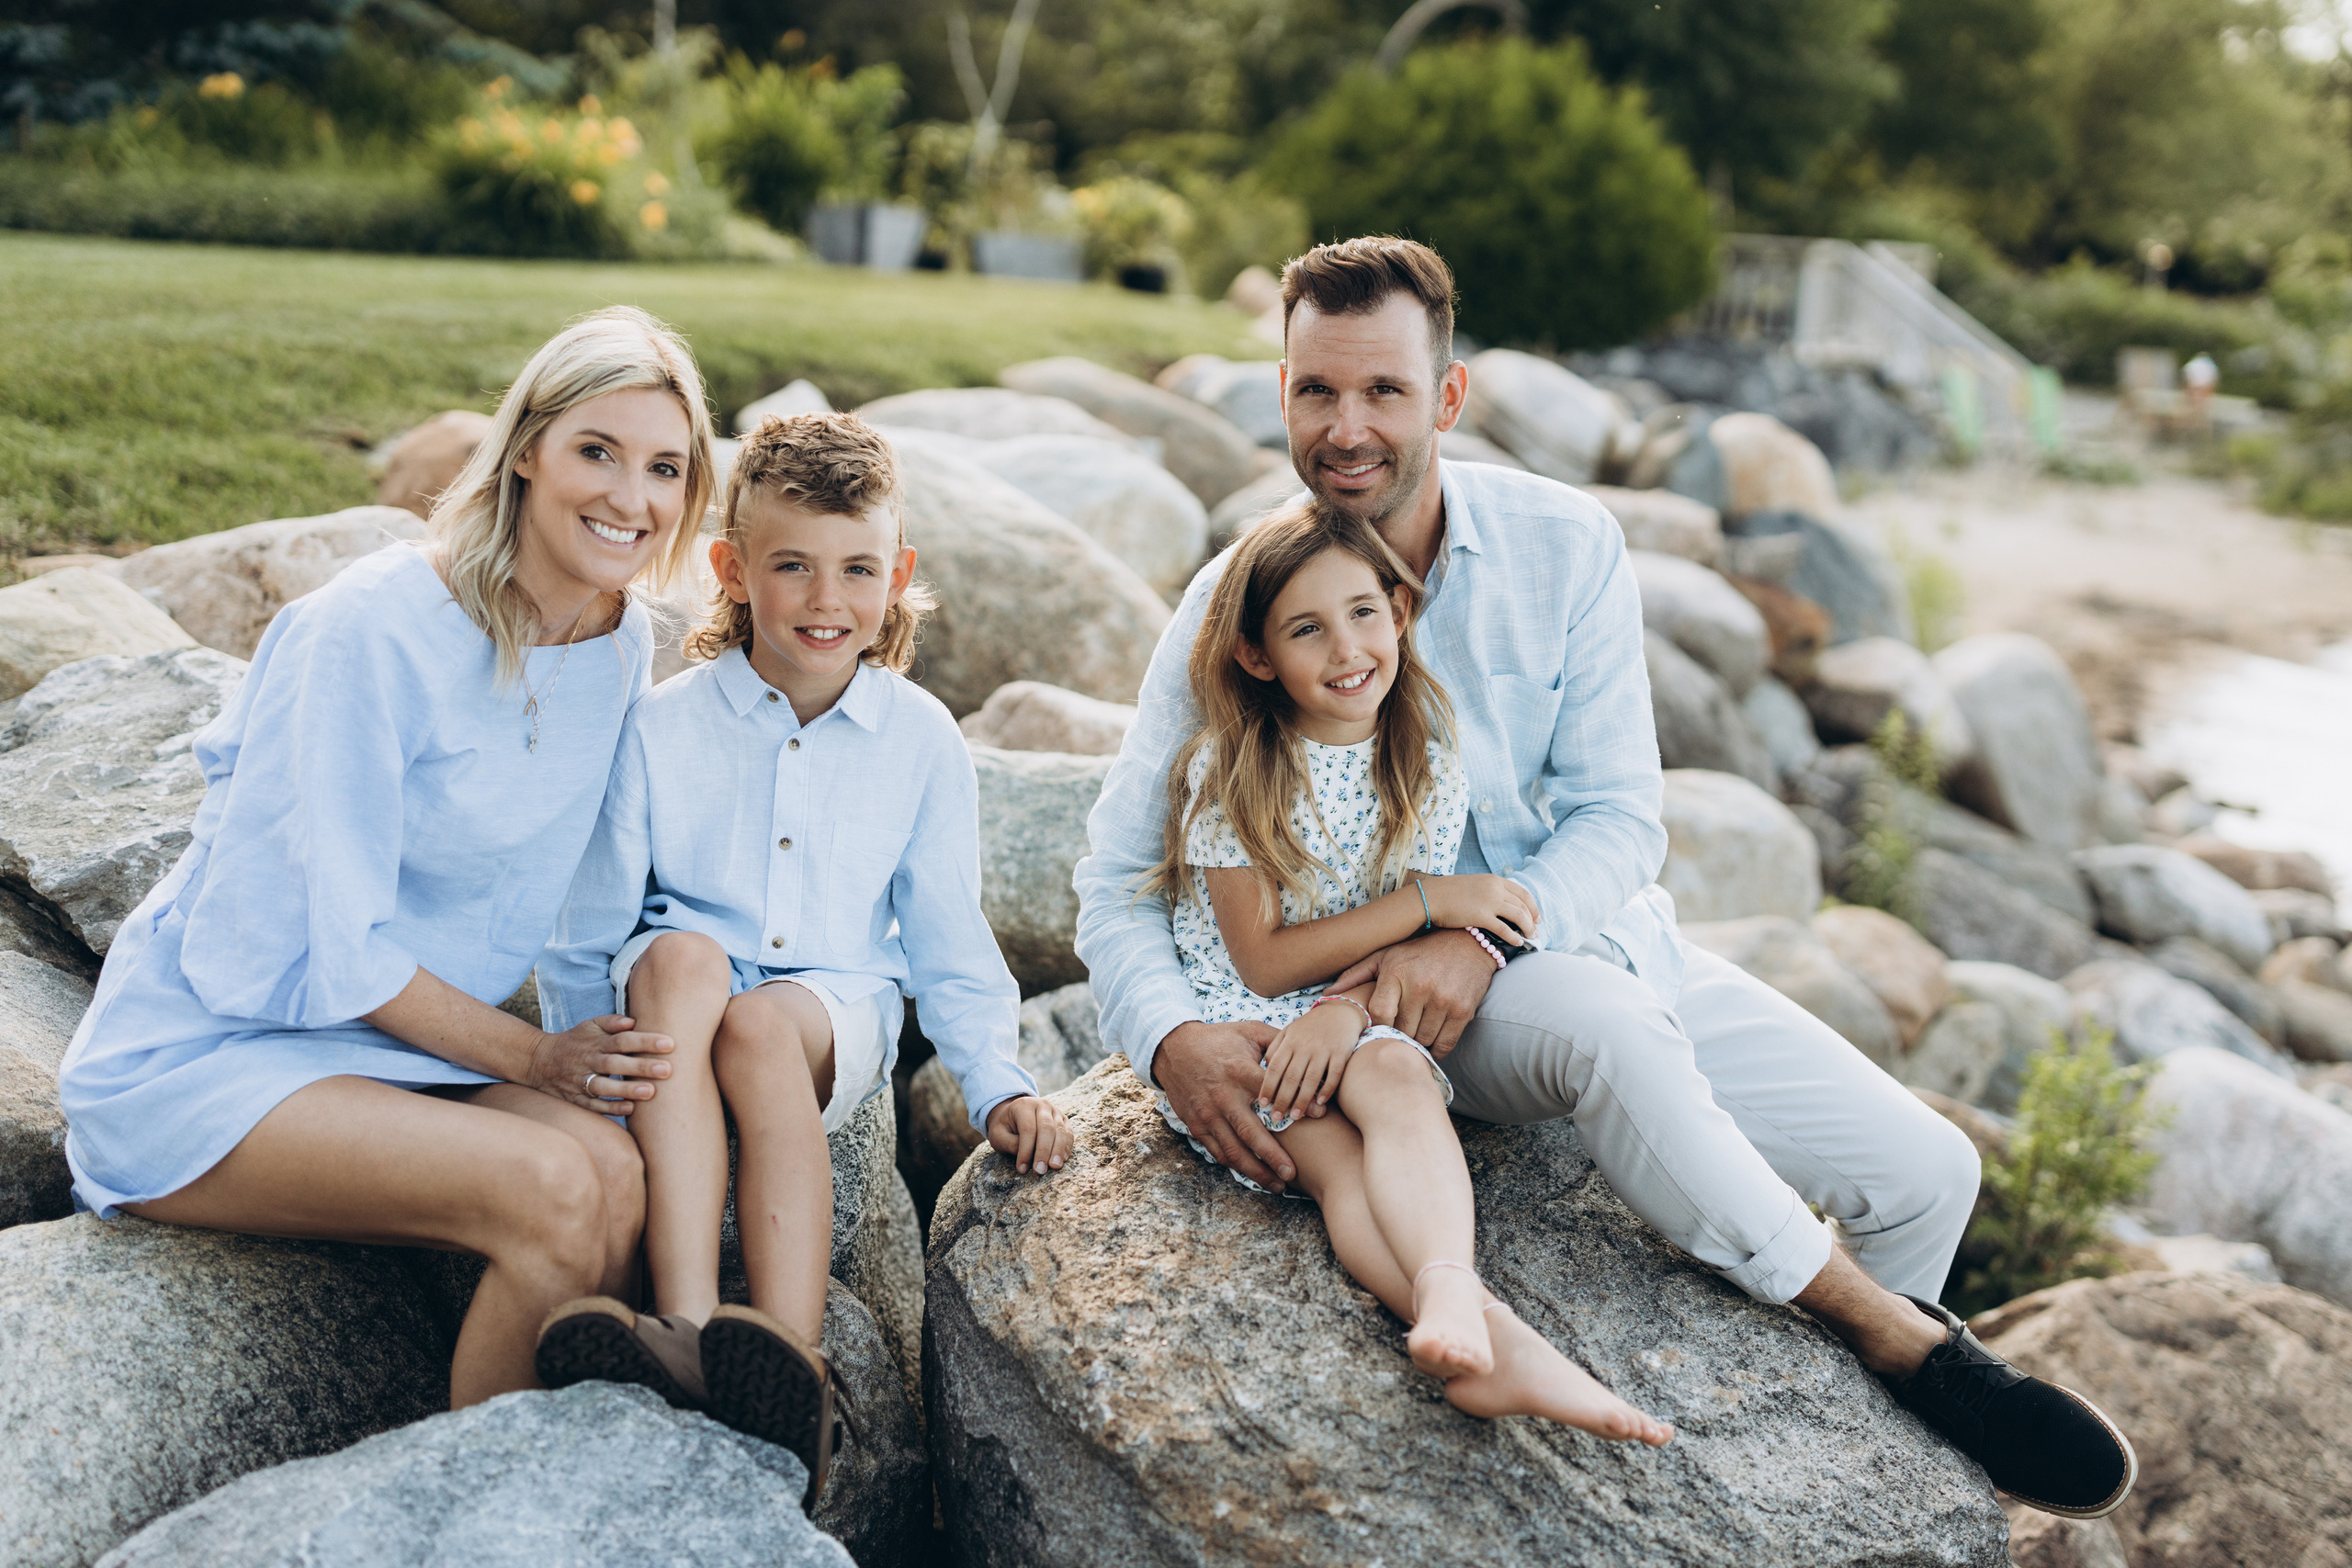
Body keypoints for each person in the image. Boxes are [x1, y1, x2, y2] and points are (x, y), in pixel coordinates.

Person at [1074, 238, 2138, 1520]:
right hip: (1400, 1018)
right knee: (1610, 1031)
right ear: (1283, 389)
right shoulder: (1233, 604)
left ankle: (1857, 1477)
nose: (1346, 427)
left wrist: (1489, 936)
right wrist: (1171, 1033)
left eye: (1384, 392)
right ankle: (1898, 1340)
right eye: (1315, 391)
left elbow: (1623, 817)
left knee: (1928, 1170)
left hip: (1578, 942)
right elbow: (1117, 874)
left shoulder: (1565, 542)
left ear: (1447, 399)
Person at [58, 306, 717, 1406]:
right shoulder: (367, 630)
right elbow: (336, 948)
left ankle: (539, 1490)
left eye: (664, 468)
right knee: (557, 1184)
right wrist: (533, 1058)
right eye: (595, 452)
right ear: (524, 453)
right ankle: (458, 1512)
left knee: (614, 1173)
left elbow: (608, 885)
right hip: (219, 1047)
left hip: (385, 1051)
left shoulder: (616, 647)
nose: (628, 498)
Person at [534, 412, 1071, 1495]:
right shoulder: (662, 725)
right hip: (679, 999)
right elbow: (588, 919)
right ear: (733, 570)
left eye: (857, 570)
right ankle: (685, 1321)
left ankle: (789, 1357)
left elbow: (947, 933)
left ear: (897, 574)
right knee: (681, 964)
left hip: (830, 1008)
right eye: (793, 567)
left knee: (760, 1024)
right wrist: (571, 1061)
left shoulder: (920, 739)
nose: (827, 603)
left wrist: (995, 1077)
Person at [1142, 497, 1676, 1444]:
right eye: (1306, 628)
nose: (1346, 649)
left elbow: (1388, 959)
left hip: (1348, 1010)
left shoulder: (1423, 757)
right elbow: (1262, 963)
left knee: (1397, 1080)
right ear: (1257, 656)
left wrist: (1349, 1019)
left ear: (1398, 610)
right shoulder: (1230, 770)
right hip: (1249, 1023)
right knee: (1337, 1167)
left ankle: (1446, 1297)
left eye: (1362, 613)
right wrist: (1433, 903)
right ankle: (1501, 1346)